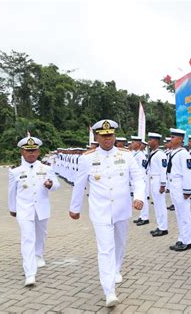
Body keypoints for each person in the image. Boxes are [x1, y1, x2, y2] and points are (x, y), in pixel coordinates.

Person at [69, 119, 145, 307]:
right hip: (100, 211)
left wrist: (139, 196)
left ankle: (116, 269)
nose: (107, 139)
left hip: (121, 209)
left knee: (119, 244)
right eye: (103, 136)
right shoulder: (87, 158)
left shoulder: (126, 156)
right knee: (105, 249)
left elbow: (138, 178)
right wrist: (74, 208)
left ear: (115, 135)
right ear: (96, 136)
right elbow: (79, 184)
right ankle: (109, 291)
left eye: (110, 135)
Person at [8, 136, 60, 287]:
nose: (31, 153)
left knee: (41, 234)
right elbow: (11, 192)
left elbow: (56, 185)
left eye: (34, 150)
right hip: (24, 209)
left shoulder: (46, 168)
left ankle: (38, 254)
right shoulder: (15, 171)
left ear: (38, 152)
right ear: (22, 152)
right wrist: (12, 208)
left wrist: (50, 185)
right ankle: (30, 273)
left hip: (42, 208)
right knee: (27, 238)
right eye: (28, 151)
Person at [167, 128, 191, 252]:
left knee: (184, 214)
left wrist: (187, 190)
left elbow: (187, 173)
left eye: (173, 137)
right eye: (171, 137)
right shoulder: (173, 152)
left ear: (181, 139)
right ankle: (182, 238)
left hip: (181, 186)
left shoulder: (184, 154)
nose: (171, 139)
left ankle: (188, 241)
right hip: (174, 185)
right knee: (178, 214)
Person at [146, 132, 169, 237]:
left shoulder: (160, 154)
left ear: (156, 141)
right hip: (153, 180)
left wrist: (163, 184)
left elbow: (163, 170)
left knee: (161, 205)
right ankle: (160, 226)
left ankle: (163, 228)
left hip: (158, 181)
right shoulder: (153, 152)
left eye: (150, 140)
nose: (148, 142)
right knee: (157, 205)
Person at [131, 136, 150, 226]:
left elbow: (142, 169)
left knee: (143, 199)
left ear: (138, 144)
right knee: (140, 198)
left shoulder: (141, 155)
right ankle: (142, 216)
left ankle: (145, 217)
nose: (132, 144)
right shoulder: (136, 154)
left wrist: (141, 181)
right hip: (137, 179)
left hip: (141, 179)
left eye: (133, 142)